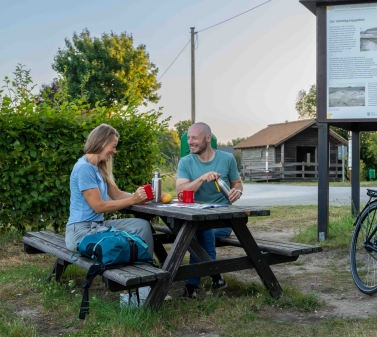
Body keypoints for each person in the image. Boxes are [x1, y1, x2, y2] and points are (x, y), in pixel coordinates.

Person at [64, 123, 154, 259]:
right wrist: (133, 199)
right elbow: (98, 206)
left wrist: (142, 198)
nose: (115, 151)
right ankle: (142, 268)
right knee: (120, 243)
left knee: (142, 225)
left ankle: (146, 263)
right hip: (81, 232)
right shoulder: (84, 168)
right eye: (113, 146)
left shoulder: (99, 168)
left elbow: (117, 195)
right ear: (102, 143)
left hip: (96, 226)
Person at [176, 122, 243, 298]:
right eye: (188, 138)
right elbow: (181, 191)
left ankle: (192, 285)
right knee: (201, 228)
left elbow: (237, 183)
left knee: (200, 231)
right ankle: (216, 275)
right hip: (196, 219)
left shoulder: (227, 159)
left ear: (207, 138)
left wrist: (238, 191)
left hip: (223, 219)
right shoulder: (185, 162)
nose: (190, 142)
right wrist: (201, 178)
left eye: (194, 138)